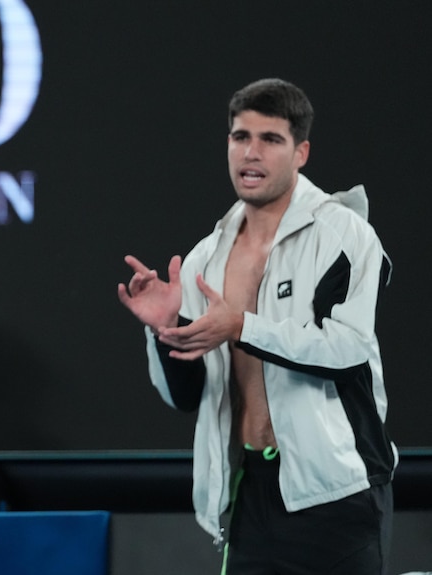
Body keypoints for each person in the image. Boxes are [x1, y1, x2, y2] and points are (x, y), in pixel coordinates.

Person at [118, 78, 395, 574]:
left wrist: (242, 326)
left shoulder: (344, 233)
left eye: (270, 139)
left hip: (340, 494)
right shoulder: (209, 254)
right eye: (240, 136)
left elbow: (347, 352)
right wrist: (164, 333)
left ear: (301, 152)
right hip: (249, 497)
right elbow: (187, 396)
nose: (251, 152)